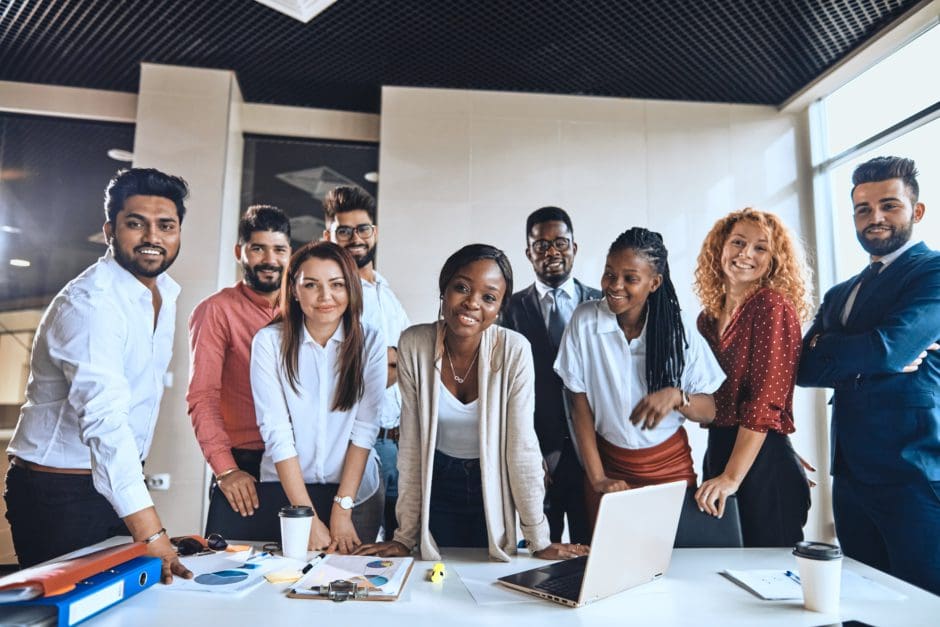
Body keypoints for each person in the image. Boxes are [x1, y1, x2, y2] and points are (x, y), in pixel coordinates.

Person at [5, 168, 193, 583]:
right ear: (110, 229)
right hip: (59, 493)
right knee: (70, 611)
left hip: (114, 484)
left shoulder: (164, 292)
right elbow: (105, 421)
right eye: (135, 223)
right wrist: (152, 534)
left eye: (166, 226)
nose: (152, 237)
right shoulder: (90, 304)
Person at [355, 244, 588, 561]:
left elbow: (522, 447)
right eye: (461, 287)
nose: (471, 303)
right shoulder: (415, 344)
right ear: (444, 289)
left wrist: (539, 539)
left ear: (500, 307)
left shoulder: (514, 350)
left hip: (492, 484)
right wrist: (405, 536)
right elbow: (410, 448)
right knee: (435, 582)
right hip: (436, 482)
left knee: (487, 581)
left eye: (488, 297)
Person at [797, 156, 940, 593]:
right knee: (862, 600)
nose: (874, 218)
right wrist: (873, 356)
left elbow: (888, 347)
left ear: (915, 212)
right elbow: (802, 366)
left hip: (913, 474)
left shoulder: (932, 272)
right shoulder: (842, 293)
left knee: (922, 603)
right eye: (863, 208)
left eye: (888, 205)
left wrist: (835, 350)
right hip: (850, 476)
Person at [555, 227, 724, 529]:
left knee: (673, 564)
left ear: (654, 282)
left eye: (630, 278)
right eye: (609, 274)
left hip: (668, 467)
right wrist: (598, 478)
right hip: (609, 467)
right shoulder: (584, 321)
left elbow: (709, 409)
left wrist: (677, 396)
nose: (615, 285)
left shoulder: (679, 330)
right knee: (611, 567)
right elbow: (579, 407)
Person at [250, 241, 386, 553]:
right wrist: (305, 515)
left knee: (353, 583)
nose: (325, 297)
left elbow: (365, 428)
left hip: (356, 493)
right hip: (287, 491)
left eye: (337, 285)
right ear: (294, 290)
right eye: (311, 285)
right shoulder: (269, 342)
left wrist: (342, 507)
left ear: (351, 288)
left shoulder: (371, 342)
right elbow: (276, 432)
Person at [692, 208, 813, 547]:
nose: (746, 254)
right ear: (720, 248)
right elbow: (714, 400)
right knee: (723, 574)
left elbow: (764, 401)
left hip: (758, 466)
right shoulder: (707, 320)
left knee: (769, 583)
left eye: (760, 248)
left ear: (774, 259)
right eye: (738, 243)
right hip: (720, 451)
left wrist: (735, 474)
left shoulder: (771, 305)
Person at [503, 206, 600, 544]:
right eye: (541, 245)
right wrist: (526, 451)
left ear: (575, 247)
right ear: (529, 253)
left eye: (561, 242)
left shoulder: (601, 305)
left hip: (594, 451)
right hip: (537, 453)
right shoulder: (508, 309)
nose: (552, 252)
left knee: (594, 549)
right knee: (541, 551)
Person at [187, 205, 291, 518]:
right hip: (243, 463)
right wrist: (226, 470)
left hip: (300, 460)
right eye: (257, 248)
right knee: (234, 563)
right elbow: (202, 396)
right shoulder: (215, 310)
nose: (270, 260)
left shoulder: (305, 310)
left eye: (279, 250)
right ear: (239, 252)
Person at [324, 186, 410, 541]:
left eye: (362, 229)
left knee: (397, 543)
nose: (354, 238)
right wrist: (392, 360)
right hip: (357, 444)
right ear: (328, 235)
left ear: (375, 232)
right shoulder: (334, 294)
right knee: (357, 546)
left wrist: (393, 360)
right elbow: (348, 366)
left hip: (398, 442)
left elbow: (408, 361)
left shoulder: (386, 291)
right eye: (343, 231)